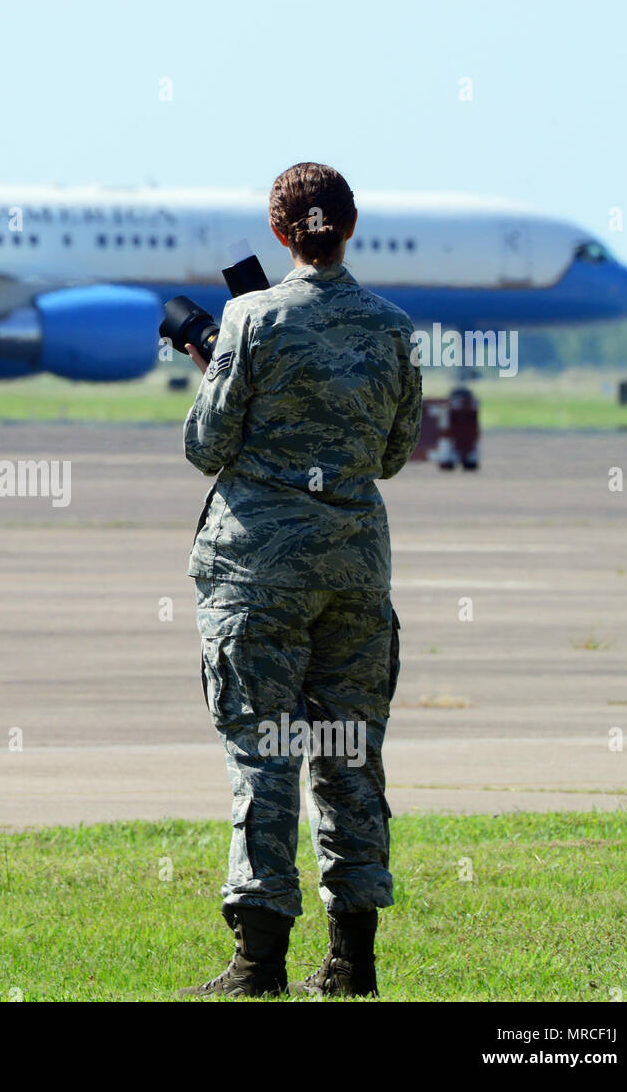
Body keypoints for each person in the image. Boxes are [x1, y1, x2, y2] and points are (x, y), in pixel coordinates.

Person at [178, 162, 422, 999]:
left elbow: (207, 445)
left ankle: (258, 965)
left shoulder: (251, 318)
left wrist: (216, 361)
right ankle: (354, 963)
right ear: (348, 226)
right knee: (350, 757)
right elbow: (392, 453)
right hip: (355, 567)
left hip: (259, 573)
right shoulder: (391, 327)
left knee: (264, 755)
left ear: (283, 233)